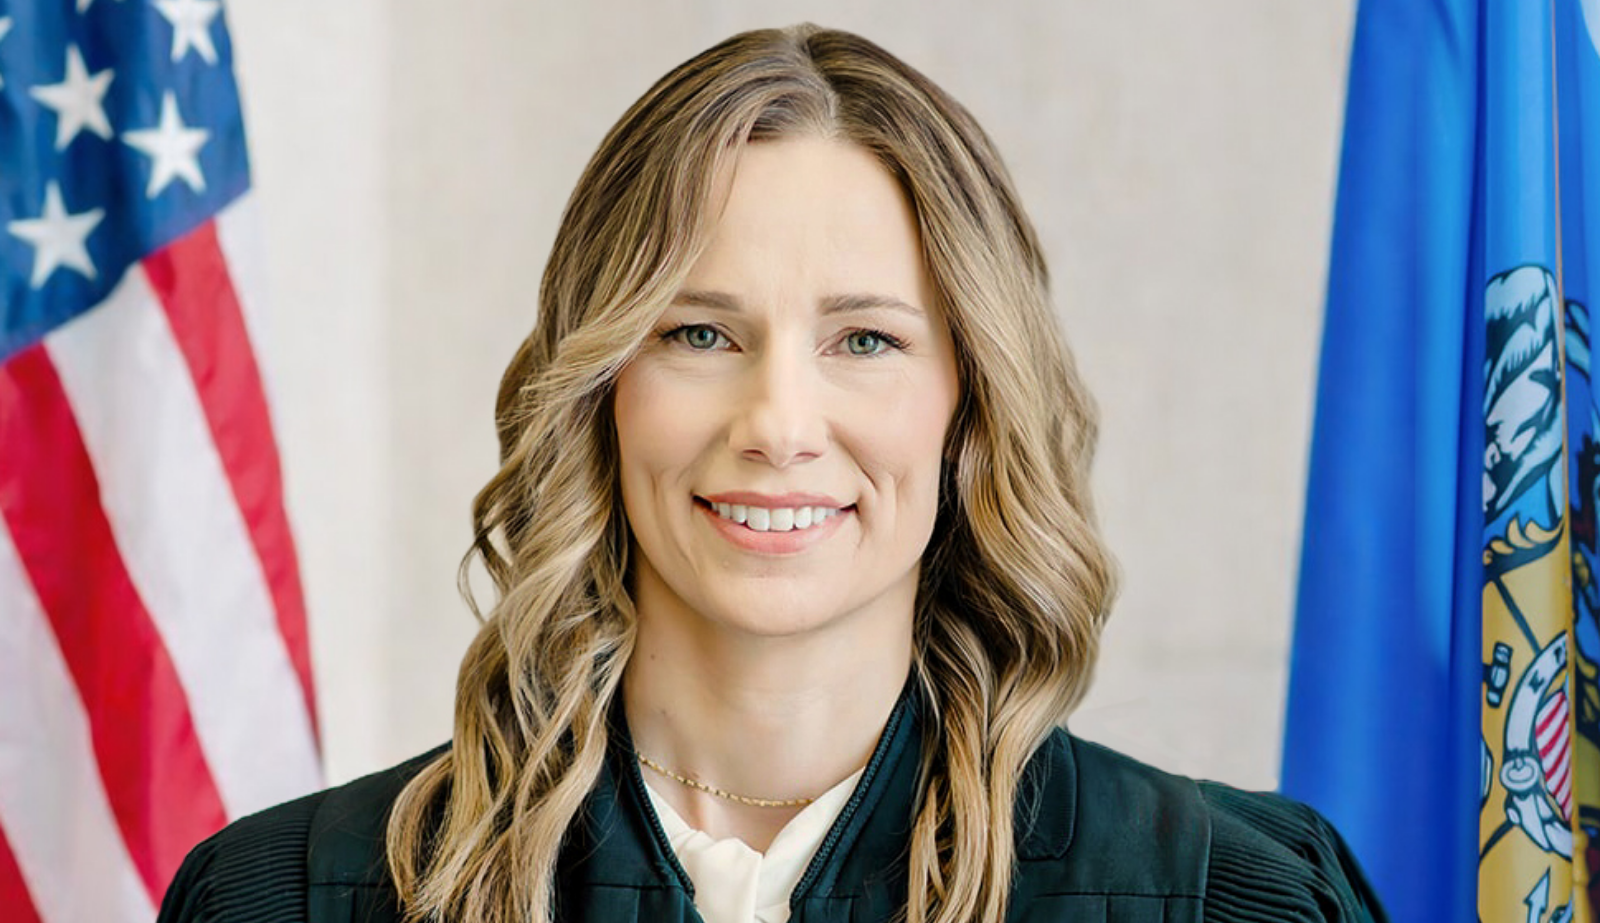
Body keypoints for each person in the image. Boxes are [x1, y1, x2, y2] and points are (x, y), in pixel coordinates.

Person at [157, 24, 1385, 923]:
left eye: (865, 341)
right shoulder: (295, 896)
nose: (778, 423)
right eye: (699, 333)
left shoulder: (1227, 893)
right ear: (599, 388)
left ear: (970, 404)